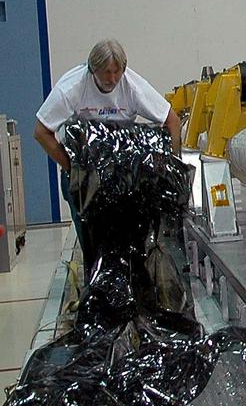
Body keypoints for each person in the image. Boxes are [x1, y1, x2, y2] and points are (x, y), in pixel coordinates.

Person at [32, 39, 181, 263]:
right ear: (93, 70)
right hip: (84, 177)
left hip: (122, 175)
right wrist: (73, 169)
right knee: (93, 245)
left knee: (130, 243)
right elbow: (41, 132)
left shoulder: (132, 86)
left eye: (117, 72)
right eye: (106, 72)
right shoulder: (72, 88)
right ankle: (95, 284)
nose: (112, 79)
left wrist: (167, 168)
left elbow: (172, 121)